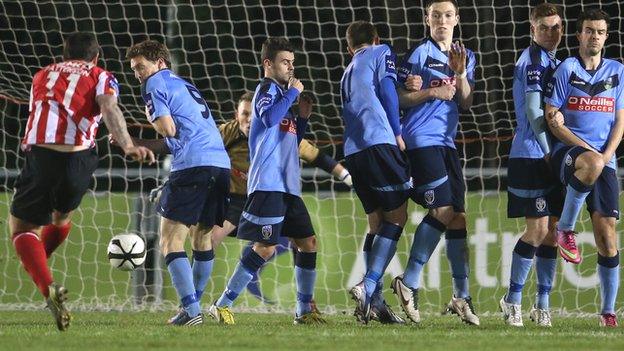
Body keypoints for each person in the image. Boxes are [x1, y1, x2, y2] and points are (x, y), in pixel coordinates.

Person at [9, 32, 154, 331]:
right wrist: (128, 146)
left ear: (64, 54)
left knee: (22, 229)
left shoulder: (42, 75)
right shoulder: (102, 75)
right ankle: (38, 264)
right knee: (61, 219)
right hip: (79, 160)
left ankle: (43, 278)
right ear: (96, 56)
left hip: (42, 155)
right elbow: (109, 108)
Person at [209, 38, 325, 325]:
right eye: (285, 62)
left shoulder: (283, 97)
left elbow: (290, 141)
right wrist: (292, 94)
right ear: (268, 64)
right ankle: (221, 304)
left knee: (308, 242)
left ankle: (303, 311)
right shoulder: (267, 90)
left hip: (288, 186)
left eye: (292, 63)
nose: (290, 67)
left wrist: (303, 118)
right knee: (266, 247)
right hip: (268, 183)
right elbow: (270, 117)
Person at [210, 91, 352, 305]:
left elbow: (318, 157)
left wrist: (347, 176)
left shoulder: (277, 132)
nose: (249, 120)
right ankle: (196, 301)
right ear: (236, 115)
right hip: (236, 200)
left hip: (273, 197)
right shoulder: (226, 133)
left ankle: (306, 303)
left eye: (252, 114)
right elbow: (201, 151)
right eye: (244, 114)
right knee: (211, 239)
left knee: (304, 241)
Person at [126, 39, 231, 326]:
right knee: (203, 238)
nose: (138, 74)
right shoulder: (183, 85)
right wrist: (136, 142)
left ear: (159, 62)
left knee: (170, 240)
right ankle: (193, 304)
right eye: (134, 70)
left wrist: (150, 115)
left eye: (141, 67)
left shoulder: (153, 84)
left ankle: (191, 310)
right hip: (220, 165)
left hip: (192, 167)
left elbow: (168, 128)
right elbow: (176, 139)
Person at [391, 0, 479, 325]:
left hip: (446, 145)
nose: (442, 20)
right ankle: (409, 281)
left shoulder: (464, 56)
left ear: (457, 19)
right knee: (442, 211)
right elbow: (399, 97)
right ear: (427, 19)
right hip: (420, 141)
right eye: (436, 16)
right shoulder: (418, 55)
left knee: (458, 219)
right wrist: (430, 92)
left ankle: (462, 296)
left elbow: (466, 101)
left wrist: (458, 75)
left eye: (447, 15)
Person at [544, 8, 624, 327]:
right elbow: (552, 118)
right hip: (570, 155)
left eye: (600, 32)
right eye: (589, 30)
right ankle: (565, 228)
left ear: (606, 36)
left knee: (608, 238)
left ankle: (607, 312)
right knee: (589, 163)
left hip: (605, 161)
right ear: (579, 35)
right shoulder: (567, 68)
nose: (594, 36)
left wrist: (606, 156)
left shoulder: (617, 71)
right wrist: (592, 153)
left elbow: (620, 121)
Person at [341, 21, 413, 324]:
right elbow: (386, 88)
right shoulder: (381, 51)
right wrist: (397, 132)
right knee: (398, 217)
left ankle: (376, 303)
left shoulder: (347, 70)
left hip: (353, 151)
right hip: (378, 143)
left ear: (349, 47)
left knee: (376, 222)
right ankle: (367, 285)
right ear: (376, 39)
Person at [499, 2, 563, 328]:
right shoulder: (533, 61)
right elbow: (535, 113)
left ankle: (543, 305)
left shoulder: (557, 61)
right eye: (544, 27)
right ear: (532, 27)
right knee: (537, 230)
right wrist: (551, 151)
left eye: (556, 27)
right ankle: (512, 299)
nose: (551, 33)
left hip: (551, 155)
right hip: (532, 155)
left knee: (552, 233)